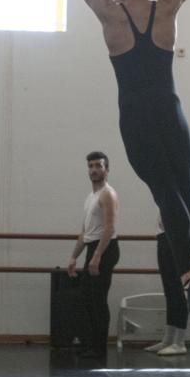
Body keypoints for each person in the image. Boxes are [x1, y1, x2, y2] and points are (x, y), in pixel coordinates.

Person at [73, 0, 190, 328]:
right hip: (171, 111)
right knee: (187, 198)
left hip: (136, 116)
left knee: (167, 195)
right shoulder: (166, 8)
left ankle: (189, 275)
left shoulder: (111, 17)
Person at [67, 151, 120, 359]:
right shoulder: (91, 197)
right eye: (91, 166)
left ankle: (100, 348)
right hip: (93, 247)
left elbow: (109, 227)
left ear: (107, 170)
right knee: (87, 298)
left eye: (98, 166)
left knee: (98, 299)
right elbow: (85, 232)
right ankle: (91, 344)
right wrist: (74, 257)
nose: (94, 170)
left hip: (105, 249)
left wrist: (97, 256)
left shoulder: (108, 194)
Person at [145, 205, 190, 356]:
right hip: (163, 239)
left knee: (178, 292)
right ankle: (168, 339)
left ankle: (179, 342)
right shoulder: (167, 197)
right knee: (170, 291)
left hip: (176, 242)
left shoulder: (186, 200)